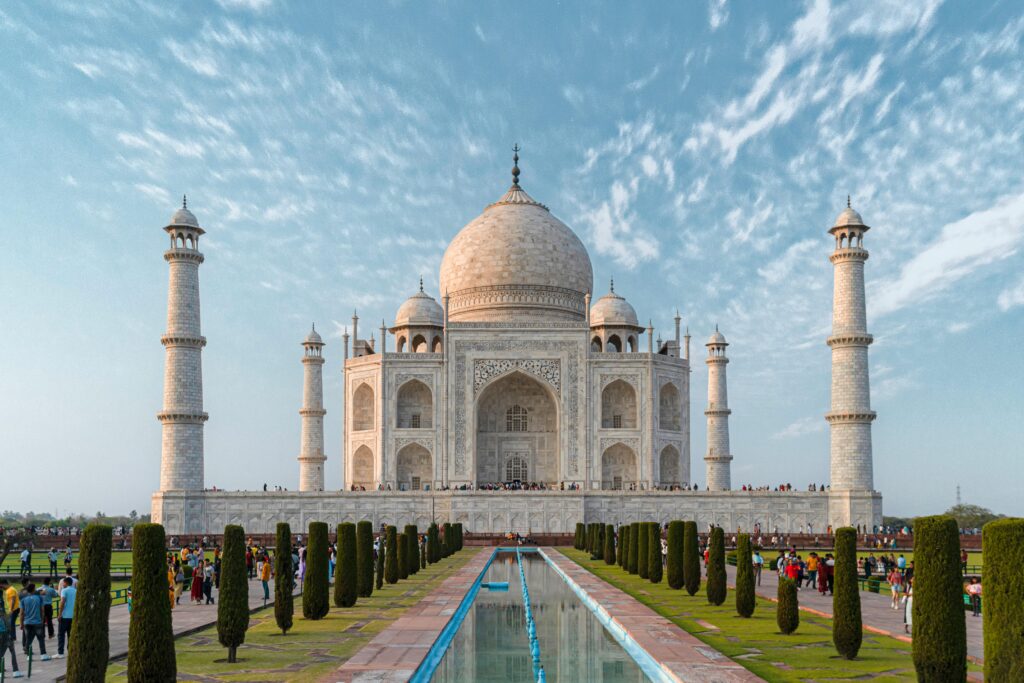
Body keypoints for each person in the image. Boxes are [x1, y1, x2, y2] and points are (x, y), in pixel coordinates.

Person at [19, 582, 49, 661]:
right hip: (37, 622)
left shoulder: (23, 600)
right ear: (33, 589)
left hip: (27, 622)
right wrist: (42, 620)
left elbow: (21, 613)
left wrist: (21, 624)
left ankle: (29, 656)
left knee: (28, 639)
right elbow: (42, 610)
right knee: (41, 639)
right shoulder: (39, 598)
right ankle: (43, 654)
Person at [56, 577, 75, 658]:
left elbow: (62, 601)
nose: (62, 584)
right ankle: (70, 651)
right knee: (70, 635)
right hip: (73, 616)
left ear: (66, 583)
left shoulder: (64, 590)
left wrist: (60, 614)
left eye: (63, 583)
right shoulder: (76, 591)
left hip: (65, 616)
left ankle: (60, 653)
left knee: (61, 634)